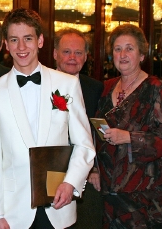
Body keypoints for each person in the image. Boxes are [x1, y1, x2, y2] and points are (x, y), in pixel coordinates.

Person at [0, 8, 96, 229]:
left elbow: (84, 145)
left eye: (28, 39)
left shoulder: (67, 84)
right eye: (14, 40)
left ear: (40, 40)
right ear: (6, 44)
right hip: (13, 212)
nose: (21, 47)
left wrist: (71, 183)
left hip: (59, 205)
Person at [89, 24, 162, 228]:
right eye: (117, 49)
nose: (122, 54)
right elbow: (94, 133)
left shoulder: (155, 89)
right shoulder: (105, 87)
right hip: (107, 191)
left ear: (141, 54)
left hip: (142, 196)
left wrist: (129, 137)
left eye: (129, 48)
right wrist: (93, 169)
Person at [53, 28, 104, 229]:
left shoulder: (96, 88)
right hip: (49, 174)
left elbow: (98, 131)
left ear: (86, 57)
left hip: (87, 178)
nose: (72, 57)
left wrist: (94, 168)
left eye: (78, 53)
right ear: (55, 54)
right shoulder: (42, 84)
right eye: (66, 52)